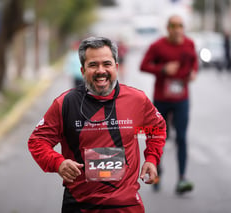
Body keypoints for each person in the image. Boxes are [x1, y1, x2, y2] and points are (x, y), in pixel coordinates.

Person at [28, 36, 166, 213]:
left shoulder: (137, 100)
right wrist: (58, 163)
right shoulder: (65, 104)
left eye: (106, 64)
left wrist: (152, 159)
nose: (101, 70)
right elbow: (37, 141)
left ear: (116, 67)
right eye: (93, 65)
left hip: (126, 205)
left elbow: (156, 129)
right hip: (80, 204)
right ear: (82, 70)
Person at [140, 15, 198, 194]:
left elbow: (194, 62)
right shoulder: (157, 46)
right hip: (161, 99)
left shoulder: (189, 44)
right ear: (168, 28)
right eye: (173, 25)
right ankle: (156, 172)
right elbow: (143, 66)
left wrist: (194, 72)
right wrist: (162, 69)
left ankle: (182, 178)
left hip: (182, 98)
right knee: (158, 138)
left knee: (181, 137)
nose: (177, 28)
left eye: (180, 25)